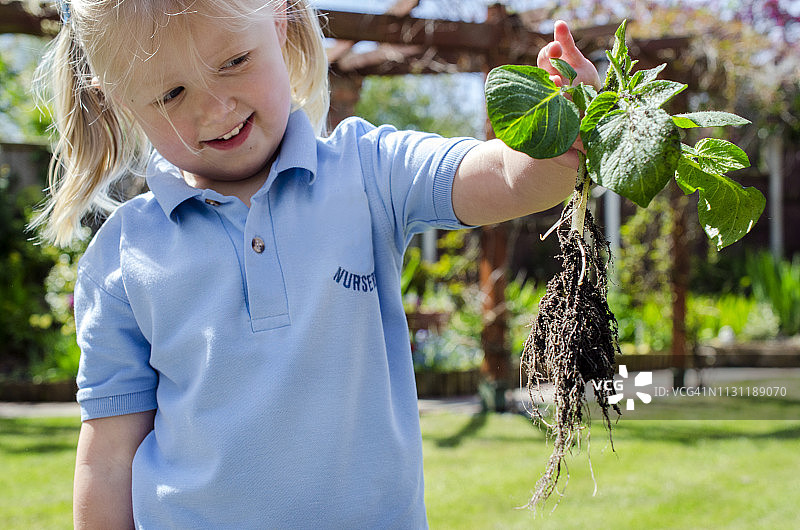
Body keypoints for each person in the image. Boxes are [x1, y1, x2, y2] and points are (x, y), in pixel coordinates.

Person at [34, 0, 600, 527]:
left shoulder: (370, 171)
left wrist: (564, 130)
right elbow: (107, 456)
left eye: (234, 61)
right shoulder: (122, 257)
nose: (216, 107)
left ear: (278, 26)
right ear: (119, 99)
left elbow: (506, 177)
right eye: (172, 93)